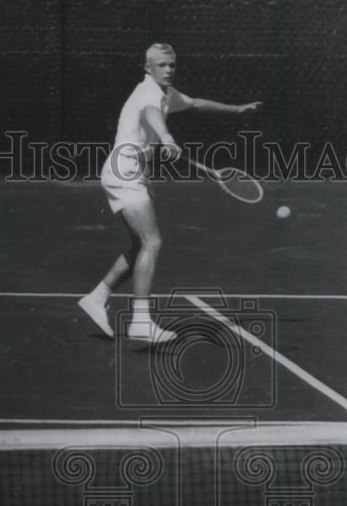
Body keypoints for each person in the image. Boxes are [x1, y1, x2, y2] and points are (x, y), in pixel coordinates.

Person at [79, 42, 261, 343]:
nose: (168, 70)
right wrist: (165, 136)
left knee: (140, 245)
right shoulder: (149, 94)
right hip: (124, 171)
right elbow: (151, 112)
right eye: (161, 65)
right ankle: (140, 321)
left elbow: (195, 104)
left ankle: (97, 298)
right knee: (153, 241)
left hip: (133, 171)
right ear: (147, 67)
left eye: (172, 65)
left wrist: (236, 109)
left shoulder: (167, 94)